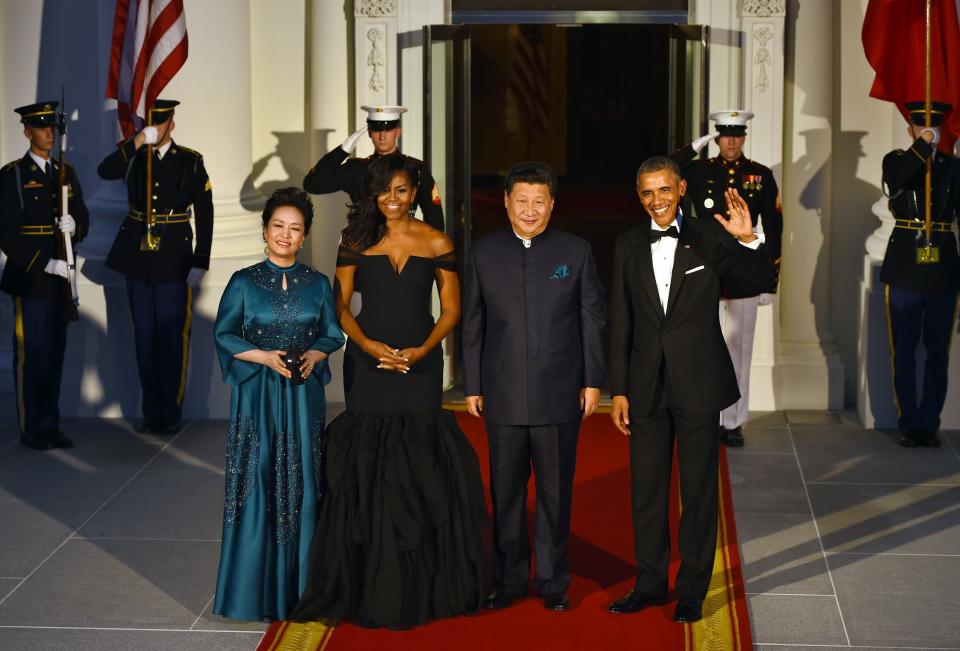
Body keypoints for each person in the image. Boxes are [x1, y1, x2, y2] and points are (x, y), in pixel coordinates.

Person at [290, 154, 487, 629]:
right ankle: (367, 579)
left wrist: (420, 352)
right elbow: (339, 307)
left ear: (414, 193)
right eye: (384, 191)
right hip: (368, 363)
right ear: (372, 195)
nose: (392, 200)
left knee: (417, 460)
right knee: (369, 462)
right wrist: (368, 345)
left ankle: (423, 580)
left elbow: (452, 311)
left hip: (419, 366)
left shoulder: (437, 240)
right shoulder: (356, 240)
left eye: (401, 190)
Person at [607, 156, 775, 623]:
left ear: (680, 188)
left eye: (663, 190)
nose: (656, 201)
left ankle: (692, 589)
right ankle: (649, 582)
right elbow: (620, 319)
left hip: (699, 382)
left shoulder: (711, 235)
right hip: (644, 386)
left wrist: (749, 239)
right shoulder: (627, 244)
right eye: (646, 193)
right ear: (638, 196)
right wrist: (618, 389)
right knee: (646, 489)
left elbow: (758, 279)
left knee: (699, 490)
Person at [460, 161, 608, 612]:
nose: (529, 210)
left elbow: (593, 320)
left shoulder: (576, 251)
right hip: (501, 393)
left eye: (538, 201)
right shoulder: (482, 254)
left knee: (554, 495)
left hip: (560, 392)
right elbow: (472, 324)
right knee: (504, 494)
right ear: (505, 201)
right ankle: (507, 581)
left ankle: (551, 582)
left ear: (552, 204)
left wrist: (592, 380)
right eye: (520, 200)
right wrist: (472, 383)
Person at [211, 187, 344, 621]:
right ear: (265, 229)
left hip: (303, 394)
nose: (285, 236)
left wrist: (315, 354)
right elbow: (225, 334)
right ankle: (254, 593)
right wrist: (264, 357)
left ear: (304, 236)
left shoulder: (317, 283)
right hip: (258, 393)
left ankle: (302, 589)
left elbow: (332, 333)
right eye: (278, 227)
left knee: (303, 479)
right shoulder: (243, 282)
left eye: (295, 229)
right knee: (258, 478)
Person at [97, 99, 213, 434]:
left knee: (172, 338)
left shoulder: (190, 161)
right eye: (150, 125)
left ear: (171, 125)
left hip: (174, 259)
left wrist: (200, 259)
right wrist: (135, 143)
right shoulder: (135, 157)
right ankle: (152, 412)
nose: (156, 130)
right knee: (144, 338)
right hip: (139, 259)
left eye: (160, 124)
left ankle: (170, 412)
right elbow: (105, 170)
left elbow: (205, 212)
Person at [671, 110, 783, 447]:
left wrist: (768, 278)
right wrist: (696, 145)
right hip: (704, 267)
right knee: (699, 345)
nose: (731, 142)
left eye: (737, 135)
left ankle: (732, 421)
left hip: (744, 270)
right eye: (724, 135)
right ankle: (704, 414)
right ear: (717, 139)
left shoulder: (760, 175)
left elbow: (775, 227)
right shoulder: (700, 169)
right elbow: (667, 166)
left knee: (739, 349)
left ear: (744, 137)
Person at [0, 101, 89, 450]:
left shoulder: (66, 173)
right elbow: (6, 231)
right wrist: (42, 262)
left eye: (52, 127)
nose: (49, 133)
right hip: (32, 276)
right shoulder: (13, 175)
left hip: (59, 279)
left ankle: (50, 424)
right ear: (27, 132)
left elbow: (82, 217)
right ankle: (31, 426)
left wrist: (75, 225)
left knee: (54, 354)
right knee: (31, 354)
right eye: (41, 127)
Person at [880, 101, 960, 448]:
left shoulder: (953, 167)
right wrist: (921, 148)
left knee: (938, 350)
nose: (927, 130)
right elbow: (897, 180)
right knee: (906, 348)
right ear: (910, 128)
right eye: (920, 126)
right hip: (906, 263)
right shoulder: (897, 160)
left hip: (941, 262)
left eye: (933, 128)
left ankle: (929, 421)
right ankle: (909, 420)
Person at [302, 105, 444, 231]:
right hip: (365, 249)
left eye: (388, 129)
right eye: (376, 129)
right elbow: (313, 184)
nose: (382, 136)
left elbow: (434, 217)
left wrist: (430, 255)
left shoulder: (415, 169)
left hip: (404, 248)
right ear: (369, 132)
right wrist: (343, 150)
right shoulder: (356, 169)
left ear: (398, 132)